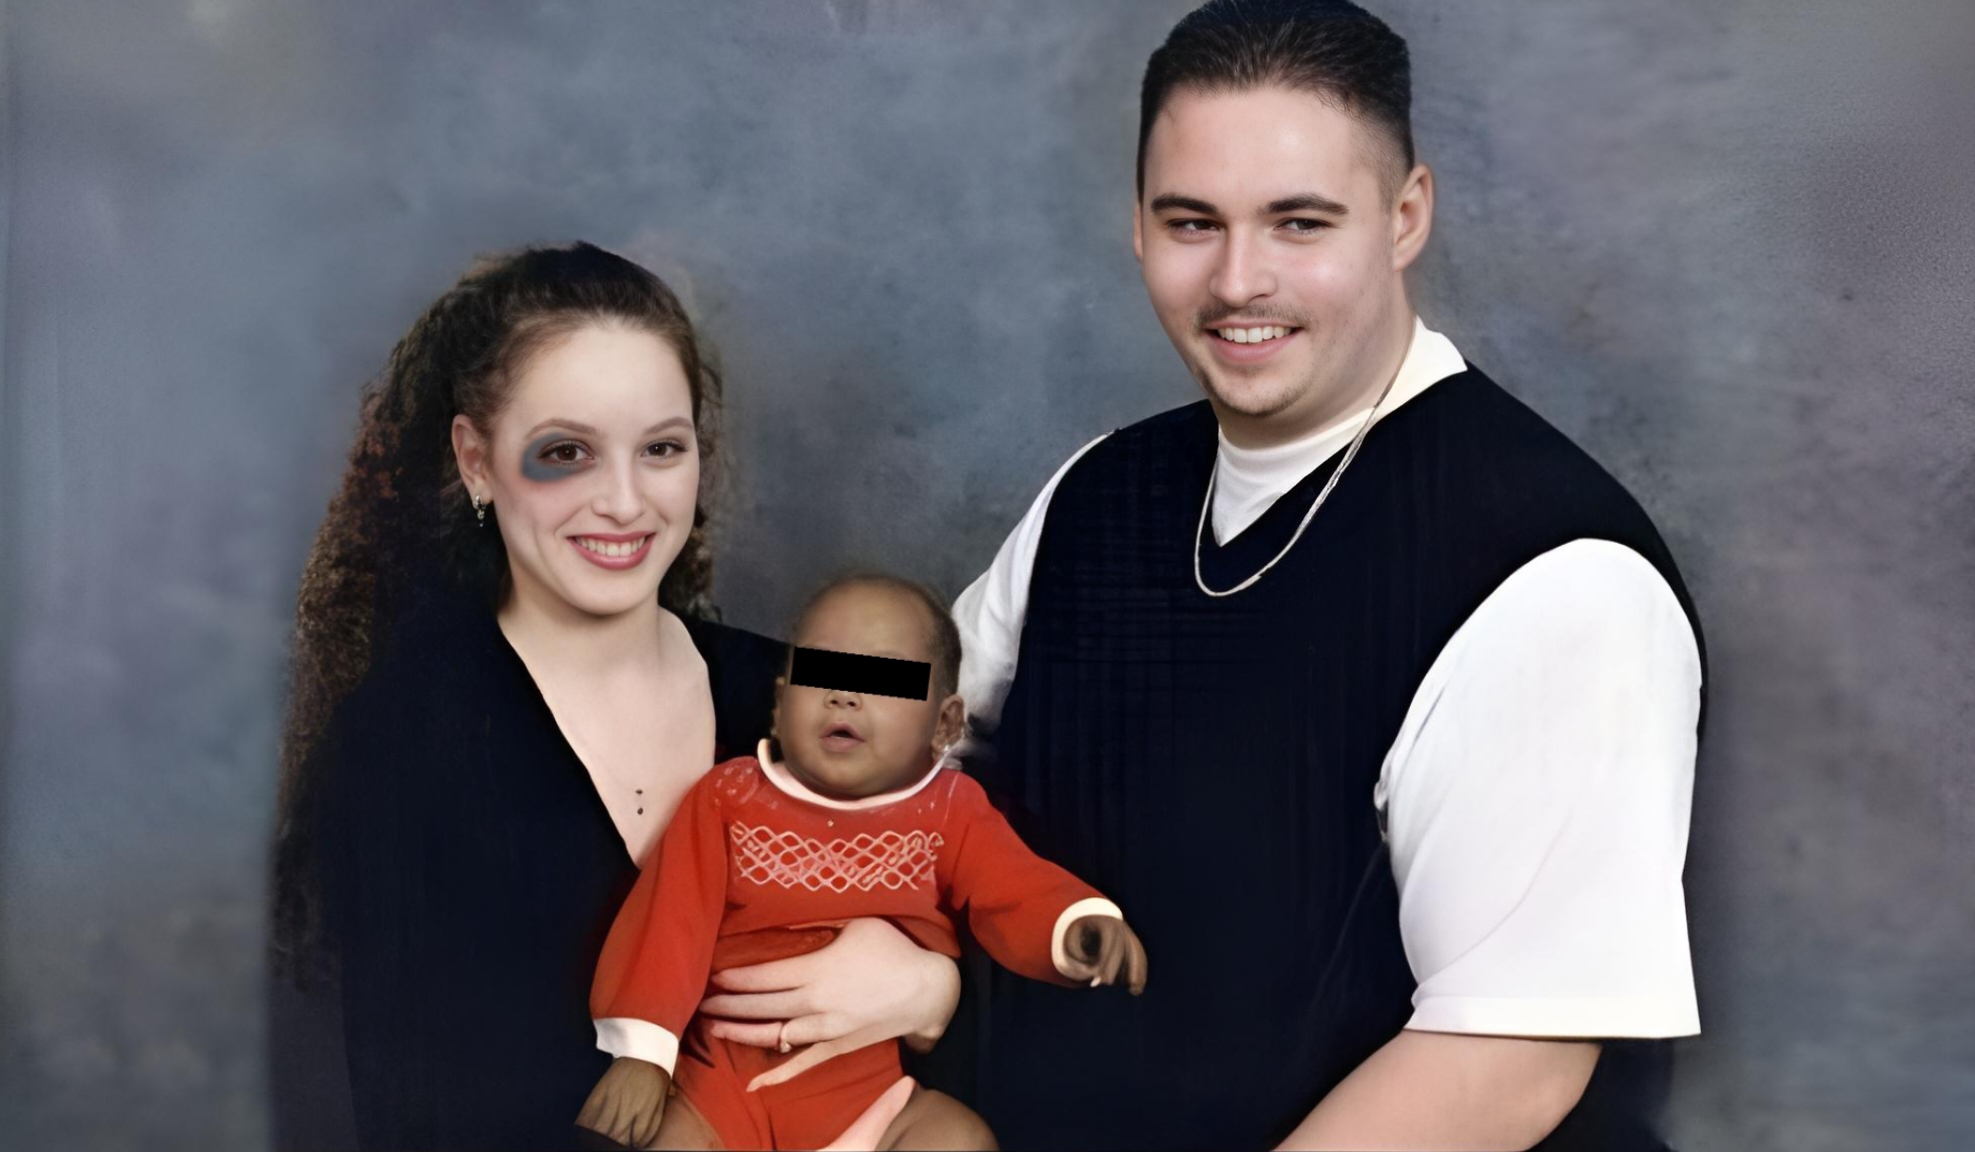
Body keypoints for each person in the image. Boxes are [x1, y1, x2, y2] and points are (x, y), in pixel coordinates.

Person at [940, 2, 1707, 1148]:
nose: (1237, 280)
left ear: (1404, 217)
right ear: (1136, 227)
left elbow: (1505, 1063)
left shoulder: (1558, 576)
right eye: (1191, 222)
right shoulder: (1095, 492)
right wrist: (889, 959)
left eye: (1298, 222)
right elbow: (909, 765)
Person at [267, 244, 960, 1150]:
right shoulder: (402, 745)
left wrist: (934, 991)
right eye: (567, 453)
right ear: (476, 462)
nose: (627, 503)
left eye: (661, 449)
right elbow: (427, 1124)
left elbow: (995, 883)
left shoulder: (811, 679)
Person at [576, 574, 1146, 1149]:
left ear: (945, 725)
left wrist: (1073, 923)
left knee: (958, 1139)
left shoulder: (950, 810)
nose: (844, 695)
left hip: (865, 1098)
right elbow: (670, 921)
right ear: (779, 704)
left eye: (884, 679)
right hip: (719, 1088)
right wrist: (643, 1054)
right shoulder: (729, 796)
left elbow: (1013, 886)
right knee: (657, 1138)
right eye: (819, 672)